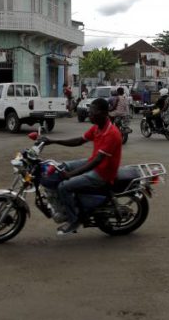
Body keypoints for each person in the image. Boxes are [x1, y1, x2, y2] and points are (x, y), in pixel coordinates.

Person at [39, 98, 122, 235]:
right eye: (89, 111)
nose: (89, 115)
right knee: (61, 166)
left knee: (64, 186)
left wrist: (72, 174)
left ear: (103, 113)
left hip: (103, 173)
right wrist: (53, 141)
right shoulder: (97, 127)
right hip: (93, 163)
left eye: (92, 112)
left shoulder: (112, 133)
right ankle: (63, 206)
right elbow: (79, 140)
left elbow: (97, 161)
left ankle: (73, 219)